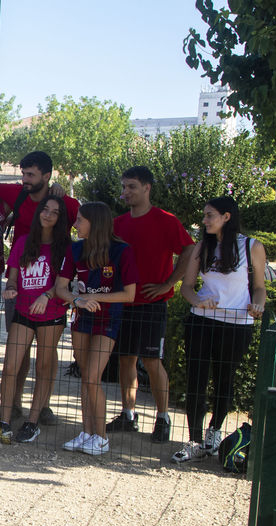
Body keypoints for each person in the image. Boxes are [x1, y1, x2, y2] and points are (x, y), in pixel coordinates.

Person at [173, 196, 266, 462]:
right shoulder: (201, 247)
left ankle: (214, 432)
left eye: (209, 215)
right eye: (204, 215)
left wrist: (257, 306)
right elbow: (187, 288)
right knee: (196, 380)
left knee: (225, 380)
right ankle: (194, 439)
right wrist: (200, 300)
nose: (204, 220)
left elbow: (259, 288)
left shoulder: (251, 246)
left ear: (227, 216)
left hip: (237, 324)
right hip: (202, 322)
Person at [107, 166, 195, 443]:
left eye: (131, 186)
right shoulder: (118, 224)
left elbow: (190, 250)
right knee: (125, 360)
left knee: (152, 361)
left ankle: (162, 417)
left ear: (147, 188)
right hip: (123, 303)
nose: (126, 192)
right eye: (124, 186)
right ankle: (128, 414)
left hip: (152, 304)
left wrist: (169, 283)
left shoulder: (166, 221)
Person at [54, 202, 138, 456]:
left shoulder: (122, 251)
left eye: (80, 220)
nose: (75, 224)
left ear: (95, 222)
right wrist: (77, 300)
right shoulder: (75, 248)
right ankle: (87, 432)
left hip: (108, 321)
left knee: (92, 377)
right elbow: (61, 288)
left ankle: (101, 438)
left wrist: (95, 298)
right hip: (81, 319)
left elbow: (129, 294)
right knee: (85, 378)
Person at [0, 196, 71, 444]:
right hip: (23, 312)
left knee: (44, 368)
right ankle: (4, 420)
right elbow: (12, 277)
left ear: (60, 218)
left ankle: (32, 422)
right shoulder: (23, 242)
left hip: (52, 315)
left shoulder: (65, 246)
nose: (48, 214)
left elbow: (62, 284)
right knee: (10, 366)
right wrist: (11, 288)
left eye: (54, 212)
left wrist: (47, 295)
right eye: (45, 209)